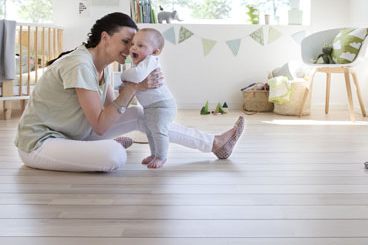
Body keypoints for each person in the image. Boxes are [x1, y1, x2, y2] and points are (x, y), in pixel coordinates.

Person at [14, 12, 244, 172]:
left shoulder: (103, 67)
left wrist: (139, 87)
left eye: (134, 43)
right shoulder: (81, 64)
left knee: (139, 115)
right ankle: (103, 146)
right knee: (115, 156)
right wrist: (134, 86)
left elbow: (114, 112)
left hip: (74, 134)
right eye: (126, 41)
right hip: (42, 143)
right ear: (105, 37)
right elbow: (101, 125)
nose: (131, 48)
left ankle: (215, 143)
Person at [121, 28, 175, 168]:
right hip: (150, 106)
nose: (134, 48)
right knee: (150, 131)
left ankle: (161, 157)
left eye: (140, 45)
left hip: (162, 105)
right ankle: (154, 154)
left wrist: (123, 75)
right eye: (133, 44)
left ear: (155, 52)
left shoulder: (151, 60)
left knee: (158, 130)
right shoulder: (138, 63)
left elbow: (137, 75)